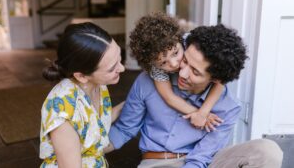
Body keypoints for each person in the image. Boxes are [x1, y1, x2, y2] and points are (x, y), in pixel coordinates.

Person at [107, 24, 283, 167]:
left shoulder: (228, 106)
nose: (181, 72)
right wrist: (83, 151)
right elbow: (124, 129)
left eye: (195, 72)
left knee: (267, 151)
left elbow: (201, 157)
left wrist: (203, 112)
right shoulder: (148, 81)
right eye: (185, 61)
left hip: (205, 162)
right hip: (158, 163)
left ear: (215, 79)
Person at [39, 22, 125, 167]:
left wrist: (130, 105)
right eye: (112, 68)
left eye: (120, 58)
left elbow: (93, 124)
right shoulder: (62, 113)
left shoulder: (97, 83)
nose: (122, 68)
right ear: (81, 76)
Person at [129, 13, 223, 130]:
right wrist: (198, 114)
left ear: (179, 38)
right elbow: (169, 97)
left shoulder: (190, 43)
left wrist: (204, 112)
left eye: (176, 53)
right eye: (163, 62)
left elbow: (220, 81)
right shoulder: (156, 68)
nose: (174, 64)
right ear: (152, 64)